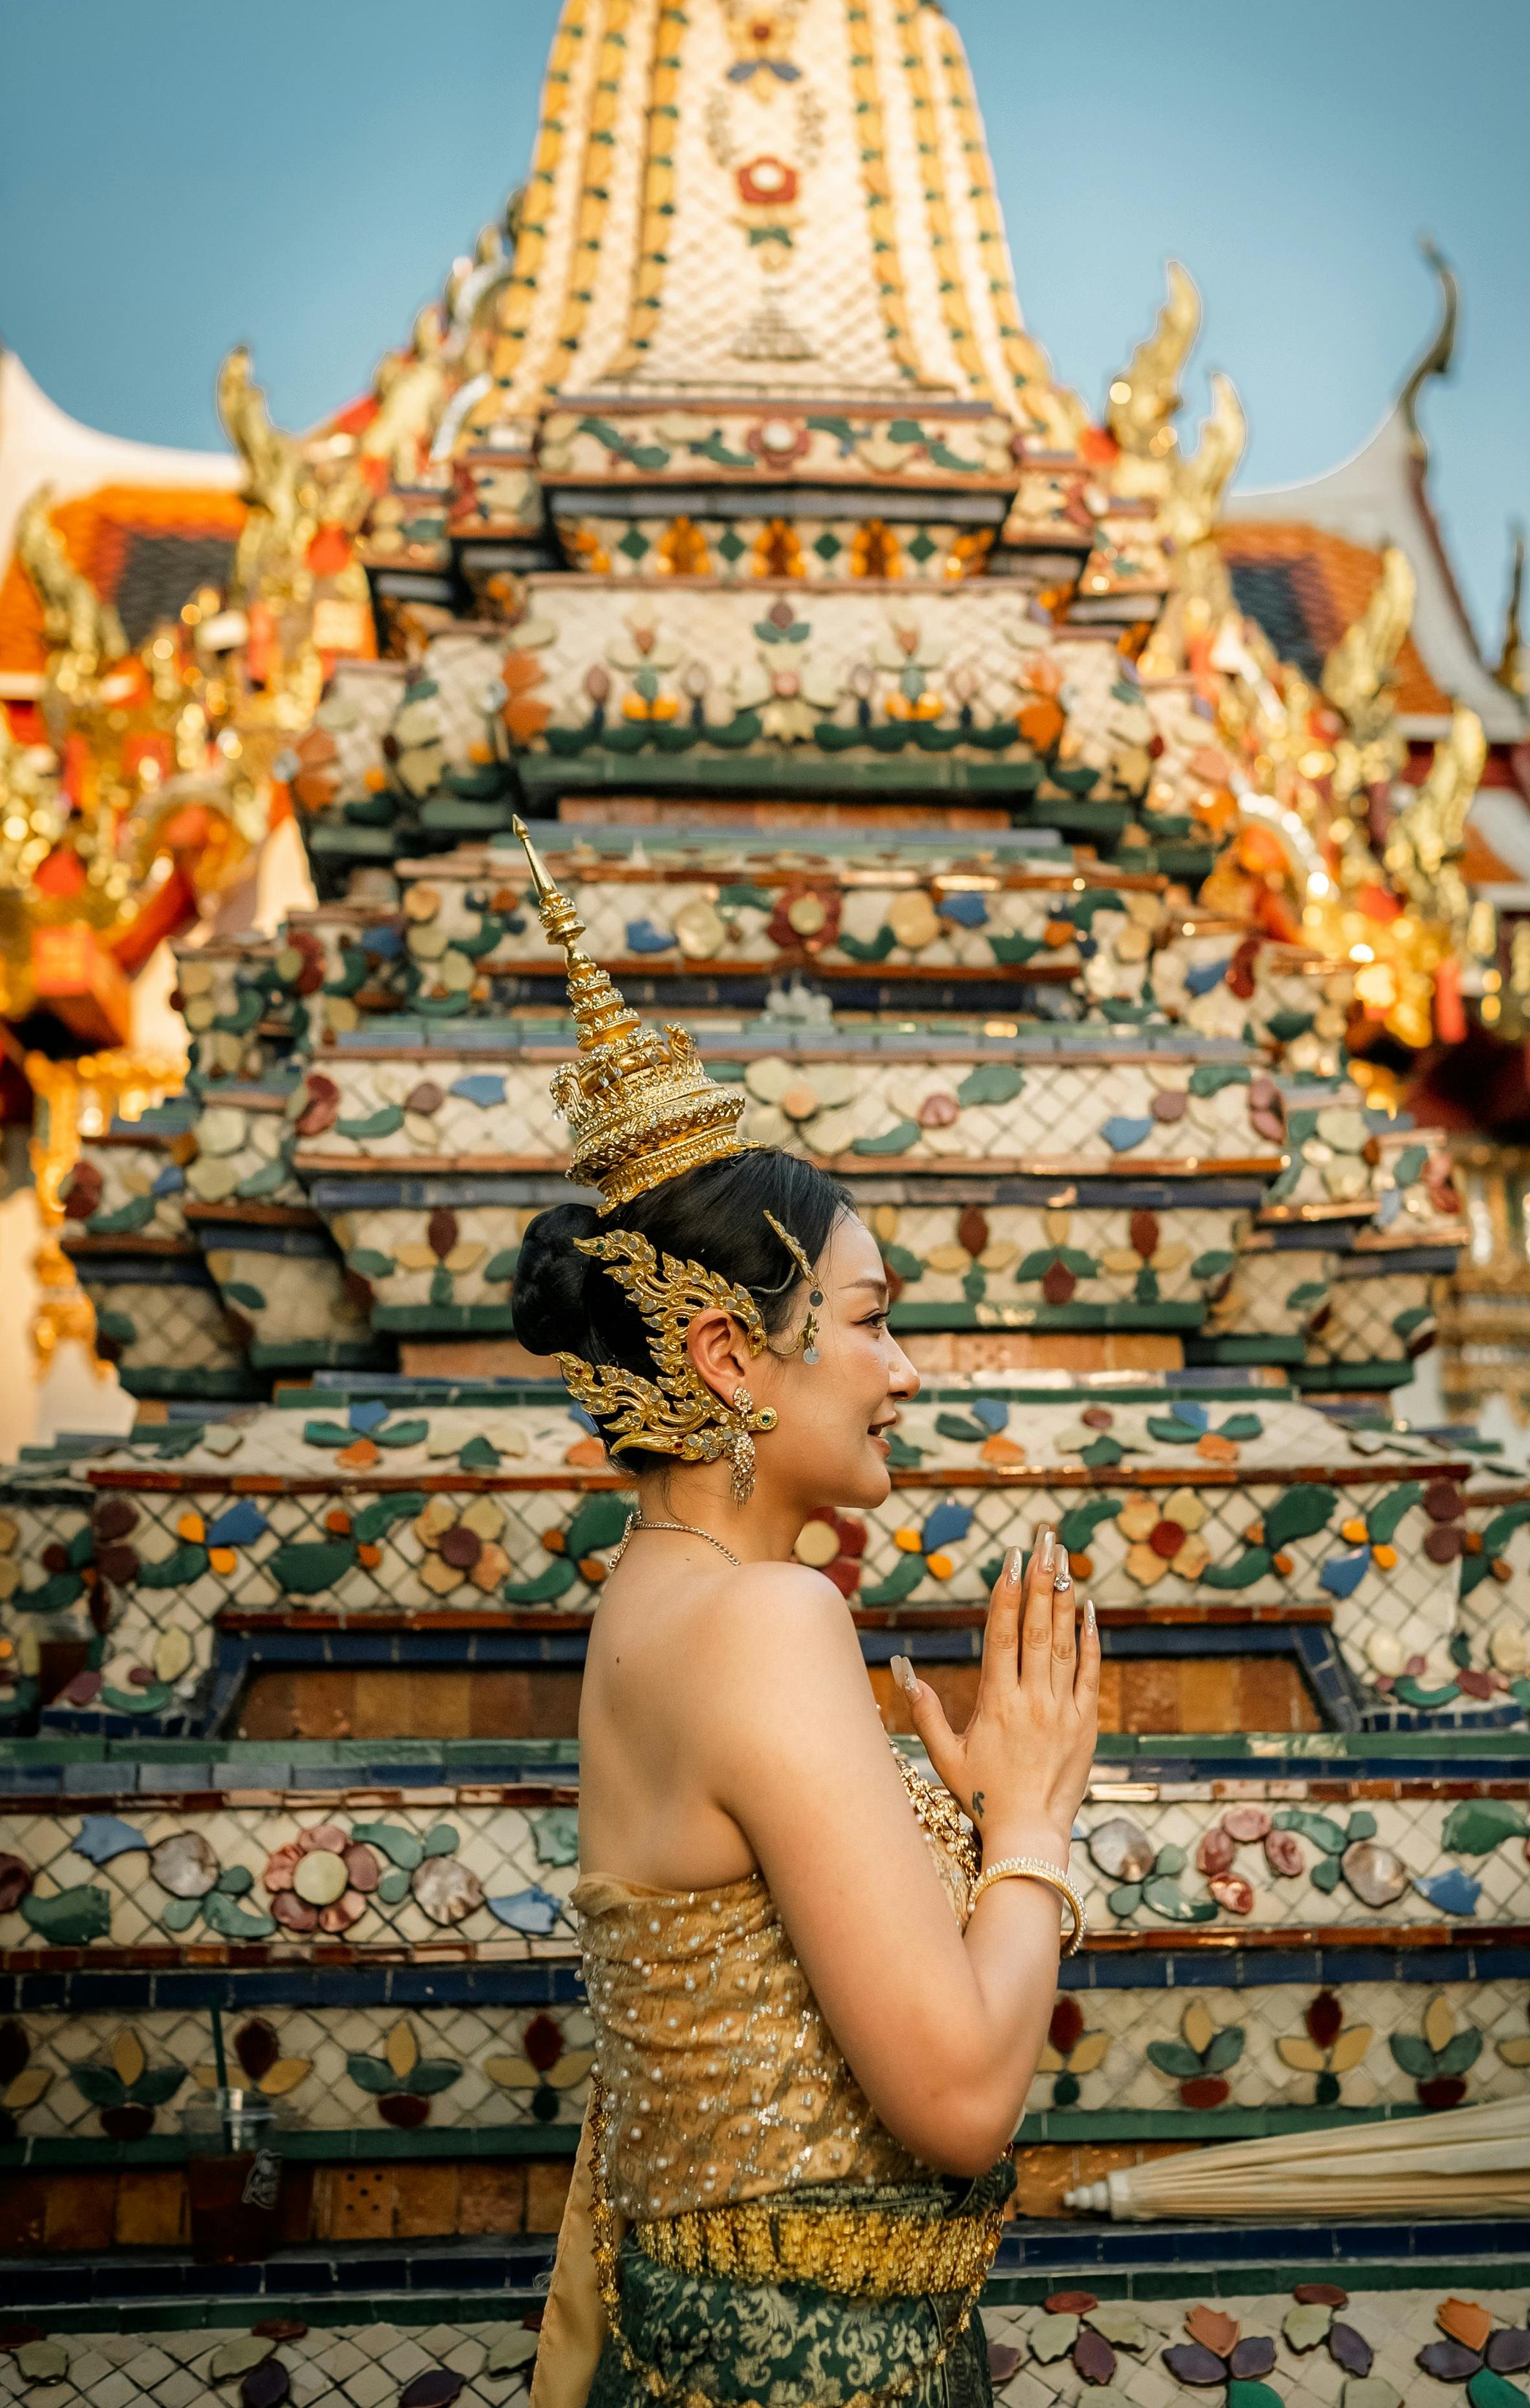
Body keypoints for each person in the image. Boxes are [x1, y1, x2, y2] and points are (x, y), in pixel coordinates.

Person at [508, 819, 1099, 2408]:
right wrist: (1033, 1818)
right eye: (866, 1319)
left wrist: (962, 1831)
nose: (901, 1369)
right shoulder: (766, 1618)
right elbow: (963, 2094)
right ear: (725, 1356)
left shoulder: (654, 1595)